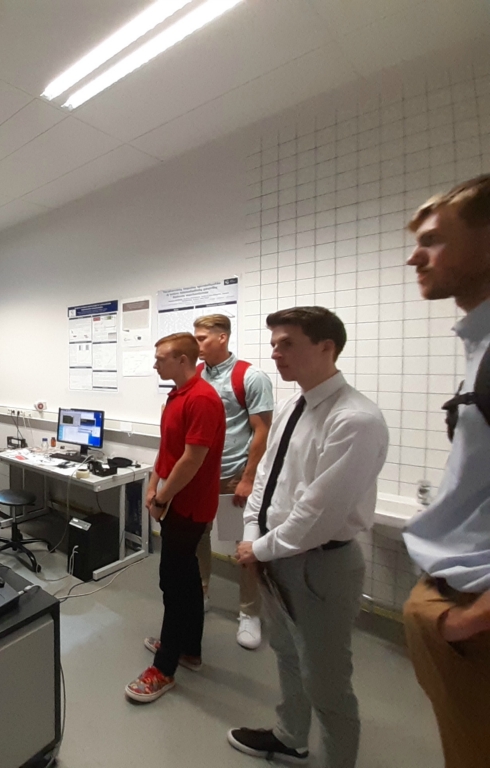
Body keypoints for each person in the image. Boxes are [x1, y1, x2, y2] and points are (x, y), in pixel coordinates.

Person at [229, 307, 388, 768]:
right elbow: (266, 478)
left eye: (288, 344)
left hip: (321, 564)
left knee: (327, 682)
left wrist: (258, 547)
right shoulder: (291, 406)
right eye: (274, 344)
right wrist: (253, 531)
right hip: (276, 555)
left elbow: (318, 513)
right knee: (286, 653)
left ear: (326, 347)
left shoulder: (354, 419)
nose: (276, 353)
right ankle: (290, 736)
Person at [400, 175, 490, 768]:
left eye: (433, 240)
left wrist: (469, 620)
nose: (415, 257)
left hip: (473, 615)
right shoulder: (479, 348)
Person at [125, 332, 225, 704]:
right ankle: (189, 649)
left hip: (188, 507)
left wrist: (162, 498)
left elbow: (192, 459)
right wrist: (153, 486)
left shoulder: (202, 399)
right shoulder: (177, 394)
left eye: (161, 358)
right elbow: (167, 450)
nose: (155, 364)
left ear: (183, 360)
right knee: (185, 580)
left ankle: (164, 669)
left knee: (175, 584)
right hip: (172, 501)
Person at [193, 313, 273, 649]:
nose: (196, 345)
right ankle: (201, 593)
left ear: (222, 338)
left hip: (234, 477)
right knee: (198, 536)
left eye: (201, 338)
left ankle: (249, 612)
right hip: (201, 476)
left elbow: (262, 431)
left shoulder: (249, 377)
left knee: (245, 546)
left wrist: (248, 479)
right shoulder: (196, 375)